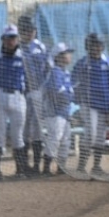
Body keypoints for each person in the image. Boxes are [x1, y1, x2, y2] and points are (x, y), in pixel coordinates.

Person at [71, 33, 109, 175]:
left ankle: (96, 166)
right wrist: (78, 98)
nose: (97, 48)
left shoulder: (106, 62)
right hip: (89, 104)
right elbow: (74, 82)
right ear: (88, 47)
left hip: (104, 104)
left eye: (99, 45)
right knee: (90, 134)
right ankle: (81, 167)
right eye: (93, 45)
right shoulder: (83, 63)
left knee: (100, 136)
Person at [0, 24, 27, 181]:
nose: (10, 41)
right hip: (0, 95)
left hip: (18, 96)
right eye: (7, 38)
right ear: (2, 39)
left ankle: (20, 170)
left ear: (18, 39)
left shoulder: (24, 57)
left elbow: (31, 79)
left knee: (18, 136)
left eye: (13, 38)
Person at [17, 15, 51, 176]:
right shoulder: (17, 47)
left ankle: (37, 165)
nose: (29, 33)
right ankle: (23, 166)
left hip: (38, 91)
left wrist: (46, 90)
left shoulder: (41, 47)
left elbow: (49, 69)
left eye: (32, 30)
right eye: (26, 30)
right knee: (23, 129)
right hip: (22, 93)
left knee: (38, 129)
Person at [42, 42, 75, 176]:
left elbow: (69, 94)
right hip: (55, 113)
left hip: (64, 112)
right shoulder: (55, 72)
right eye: (66, 53)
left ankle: (61, 167)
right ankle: (46, 167)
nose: (69, 55)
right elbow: (55, 92)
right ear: (58, 56)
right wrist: (68, 97)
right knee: (55, 138)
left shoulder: (65, 73)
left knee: (65, 140)